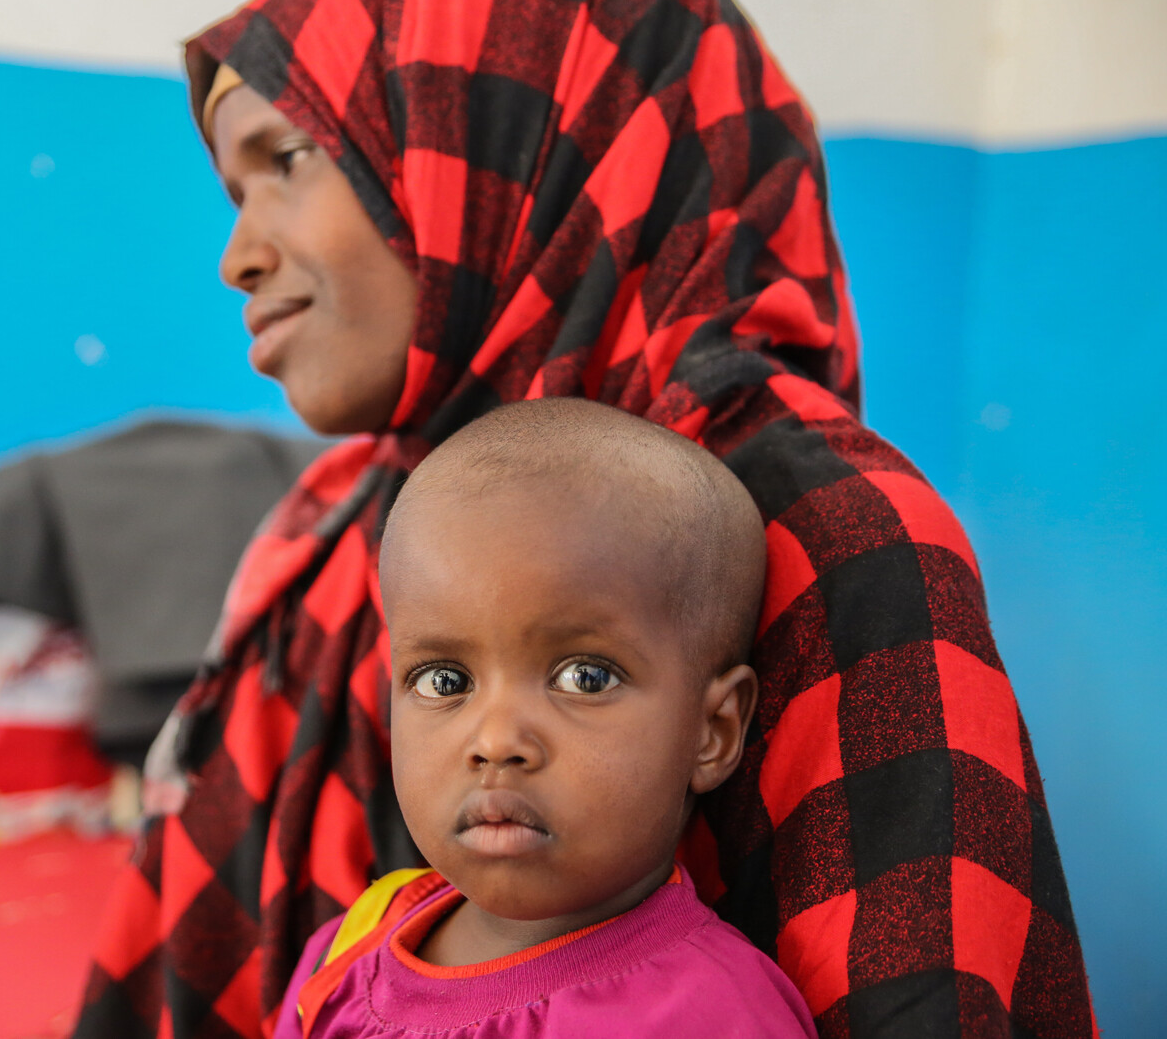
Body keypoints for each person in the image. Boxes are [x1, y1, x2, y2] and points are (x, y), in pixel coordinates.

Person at [74, 0, 1094, 1036]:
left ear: (519, 139)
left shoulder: (827, 529)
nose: (239, 257)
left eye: (287, 160)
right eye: (234, 194)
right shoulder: (348, 529)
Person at [270, 396, 816, 1038]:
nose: (497, 741)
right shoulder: (351, 945)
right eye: (445, 681)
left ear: (714, 731)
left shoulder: (707, 1015)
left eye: (585, 677)